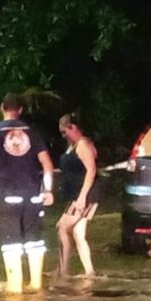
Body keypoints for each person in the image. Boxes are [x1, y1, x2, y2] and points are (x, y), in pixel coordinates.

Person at [0, 94, 55, 294]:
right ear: (20, 110)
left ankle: (15, 288)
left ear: (2, 108)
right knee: (34, 241)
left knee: (11, 243)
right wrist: (48, 190)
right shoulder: (33, 132)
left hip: (7, 196)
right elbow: (47, 164)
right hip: (33, 196)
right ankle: (36, 286)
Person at [56, 113, 99, 278]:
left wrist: (82, 198)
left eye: (64, 131)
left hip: (85, 194)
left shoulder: (83, 145)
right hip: (77, 193)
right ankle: (90, 272)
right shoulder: (73, 145)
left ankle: (63, 271)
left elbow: (91, 170)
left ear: (73, 127)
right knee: (78, 234)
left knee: (62, 227)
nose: (63, 135)